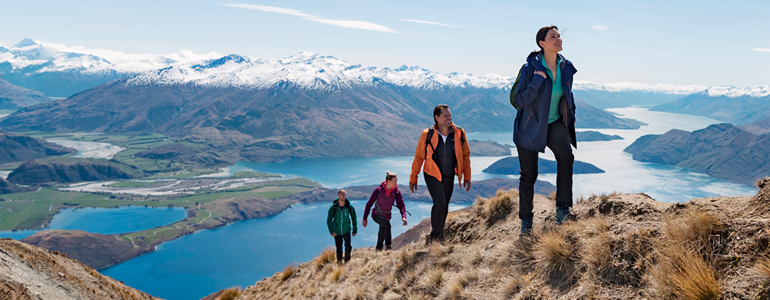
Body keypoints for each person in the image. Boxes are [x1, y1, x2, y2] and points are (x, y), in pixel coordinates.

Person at [513, 25, 578, 234]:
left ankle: (563, 210)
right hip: (530, 127)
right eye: (553, 37)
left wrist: (569, 118)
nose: (558, 39)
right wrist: (537, 80)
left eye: (559, 36)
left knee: (566, 157)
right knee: (529, 175)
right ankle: (526, 221)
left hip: (553, 123)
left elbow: (566, 98)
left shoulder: (565, 67)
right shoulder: (530, 68)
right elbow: (519, 100)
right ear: (542, 43)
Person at [409, 105, 471, 242]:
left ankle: (439, 236)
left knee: (445, 206)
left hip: (449, 174)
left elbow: (465, 155)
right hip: (431, 174)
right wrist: (413, 177)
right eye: (445, 116)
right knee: (440, 203)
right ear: (437, 118)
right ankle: (435, 238)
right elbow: (419, 157)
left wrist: (467, 176)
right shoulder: (427, 134)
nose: (449, 118)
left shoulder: (459, 133)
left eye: (450, 115)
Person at [363, 172, 407, 251]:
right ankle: (388, 247)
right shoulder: (378, 190)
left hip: (386, 216)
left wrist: (404, 216)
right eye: (394, 181)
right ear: (388, 181)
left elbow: (401, 205)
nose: (396, 183)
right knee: (387, 225)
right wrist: (365, 219)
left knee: (382, 233)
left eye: (396, 181)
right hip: (376, 214)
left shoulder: (396, 192)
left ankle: (378, 250)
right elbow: (369, 204)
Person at [326, 189, 357, 263]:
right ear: (338, 195)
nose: (344, 196)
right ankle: (339, 263)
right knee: (339, 248)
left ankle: (347, 261)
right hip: (337, 231)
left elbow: (354, 218)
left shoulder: (349, 206)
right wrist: (332, 231)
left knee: (348, 247)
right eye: (342, 194)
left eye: (345, 194)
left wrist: (354, 229)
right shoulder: (333, 208)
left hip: (347, 230)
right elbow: (329, 220)